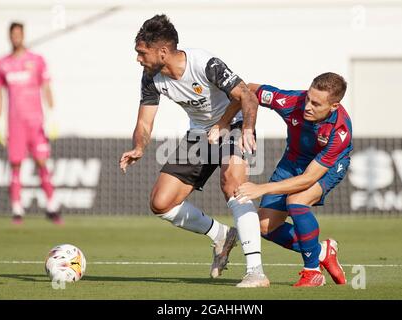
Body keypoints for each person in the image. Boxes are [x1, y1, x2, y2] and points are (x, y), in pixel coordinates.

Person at [119, 14, 270, 288]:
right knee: (161, 203)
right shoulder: (151, 77)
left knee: (234, 186)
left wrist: (246, 129)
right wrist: (139, 147)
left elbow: (246, 95)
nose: (138, 59)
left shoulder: (204, 63)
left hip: (233, 124)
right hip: (200, 134)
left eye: (142, 53)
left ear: (162, 52)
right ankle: (221, 235)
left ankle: (256, 272)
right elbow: (144, 121)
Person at [224, 73, 351, 287]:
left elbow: (308, 178)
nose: (308, 106)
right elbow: (247, 89)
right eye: (308, 98)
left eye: (316, 103)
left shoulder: (340, 131)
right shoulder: (293, 101)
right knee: (264, 227)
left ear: (334, 106)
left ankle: (312, 272)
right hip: (292, 160)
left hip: (326, 167)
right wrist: (231, 122)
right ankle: (321, 251)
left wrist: (262, 188)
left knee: (297, 201)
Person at [0, 22, 61, 225]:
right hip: (15, 123)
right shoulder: (2, 64)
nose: (16, 37)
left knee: (42, 162)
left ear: (23, 35)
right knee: (15, 164)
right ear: (9, 36)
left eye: (19, 34)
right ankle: (17, 209)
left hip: (36, 121)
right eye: (13, 34)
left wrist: (52, 115)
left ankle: (51, 206)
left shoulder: (37, 60)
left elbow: (47, 88)